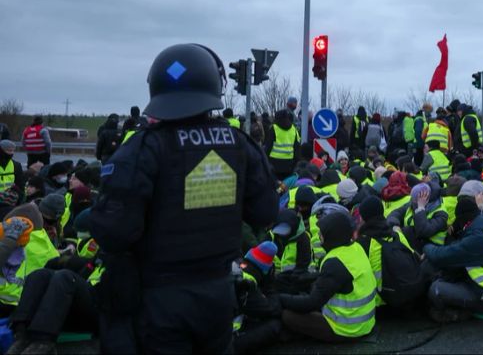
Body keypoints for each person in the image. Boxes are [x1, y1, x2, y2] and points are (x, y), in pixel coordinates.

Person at [90, 43, 279, 353]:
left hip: (159, 299)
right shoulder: (239, 144)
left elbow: (113, 231)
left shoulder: (143, 148)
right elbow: (265, 211)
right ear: (214, 85)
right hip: (219, 296)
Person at [280, 210, 377, 341]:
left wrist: (280, 299)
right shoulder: (355, 248)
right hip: (365, 323)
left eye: (322, 232)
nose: (319, 235)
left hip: (346, 329)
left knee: (287, 315)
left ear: (332, 235)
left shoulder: (334, 262)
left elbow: (312, 303)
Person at [423, 198, 483, 322]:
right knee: (452, 272)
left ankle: (453, 314)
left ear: (464, 220)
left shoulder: (478, 239)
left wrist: (426, 247)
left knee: (436, 289)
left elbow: (442, 256)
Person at [264, 108, 302, 180]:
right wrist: (295, 163)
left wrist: (265, 161)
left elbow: (268, 147)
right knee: (286, 185)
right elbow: (297, 148)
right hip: (289, 163)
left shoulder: (274, 128)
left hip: (274, 162)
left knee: (275, 185)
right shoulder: (294, 129)